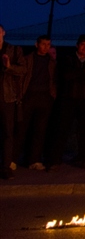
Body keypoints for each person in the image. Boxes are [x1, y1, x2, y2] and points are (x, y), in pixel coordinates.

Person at [51, 35, 85, 170]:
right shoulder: (68, 59)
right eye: (82, 45)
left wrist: (79, 75)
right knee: (62, 129)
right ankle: (55, 160)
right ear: (77, 45)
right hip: (69, 98)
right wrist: (83, 72)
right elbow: (66, 75)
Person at [16, 35, 56, 171]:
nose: (46, 47)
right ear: (36, 44)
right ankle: (13, 159)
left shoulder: (51, 62)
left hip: (44, 96)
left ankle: (34, 160)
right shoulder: (28, 59)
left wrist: (52, 94)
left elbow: (53, 79)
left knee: (40, 130)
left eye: (48, 44)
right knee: (22, 128)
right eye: (43, 44)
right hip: (29, 95)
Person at [0, 25, 25, 179]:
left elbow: (23, 70)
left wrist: (9, 67)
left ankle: (5, 166)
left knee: (7, 133)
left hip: (6, 97)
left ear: (3, 32)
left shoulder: (13, 50)